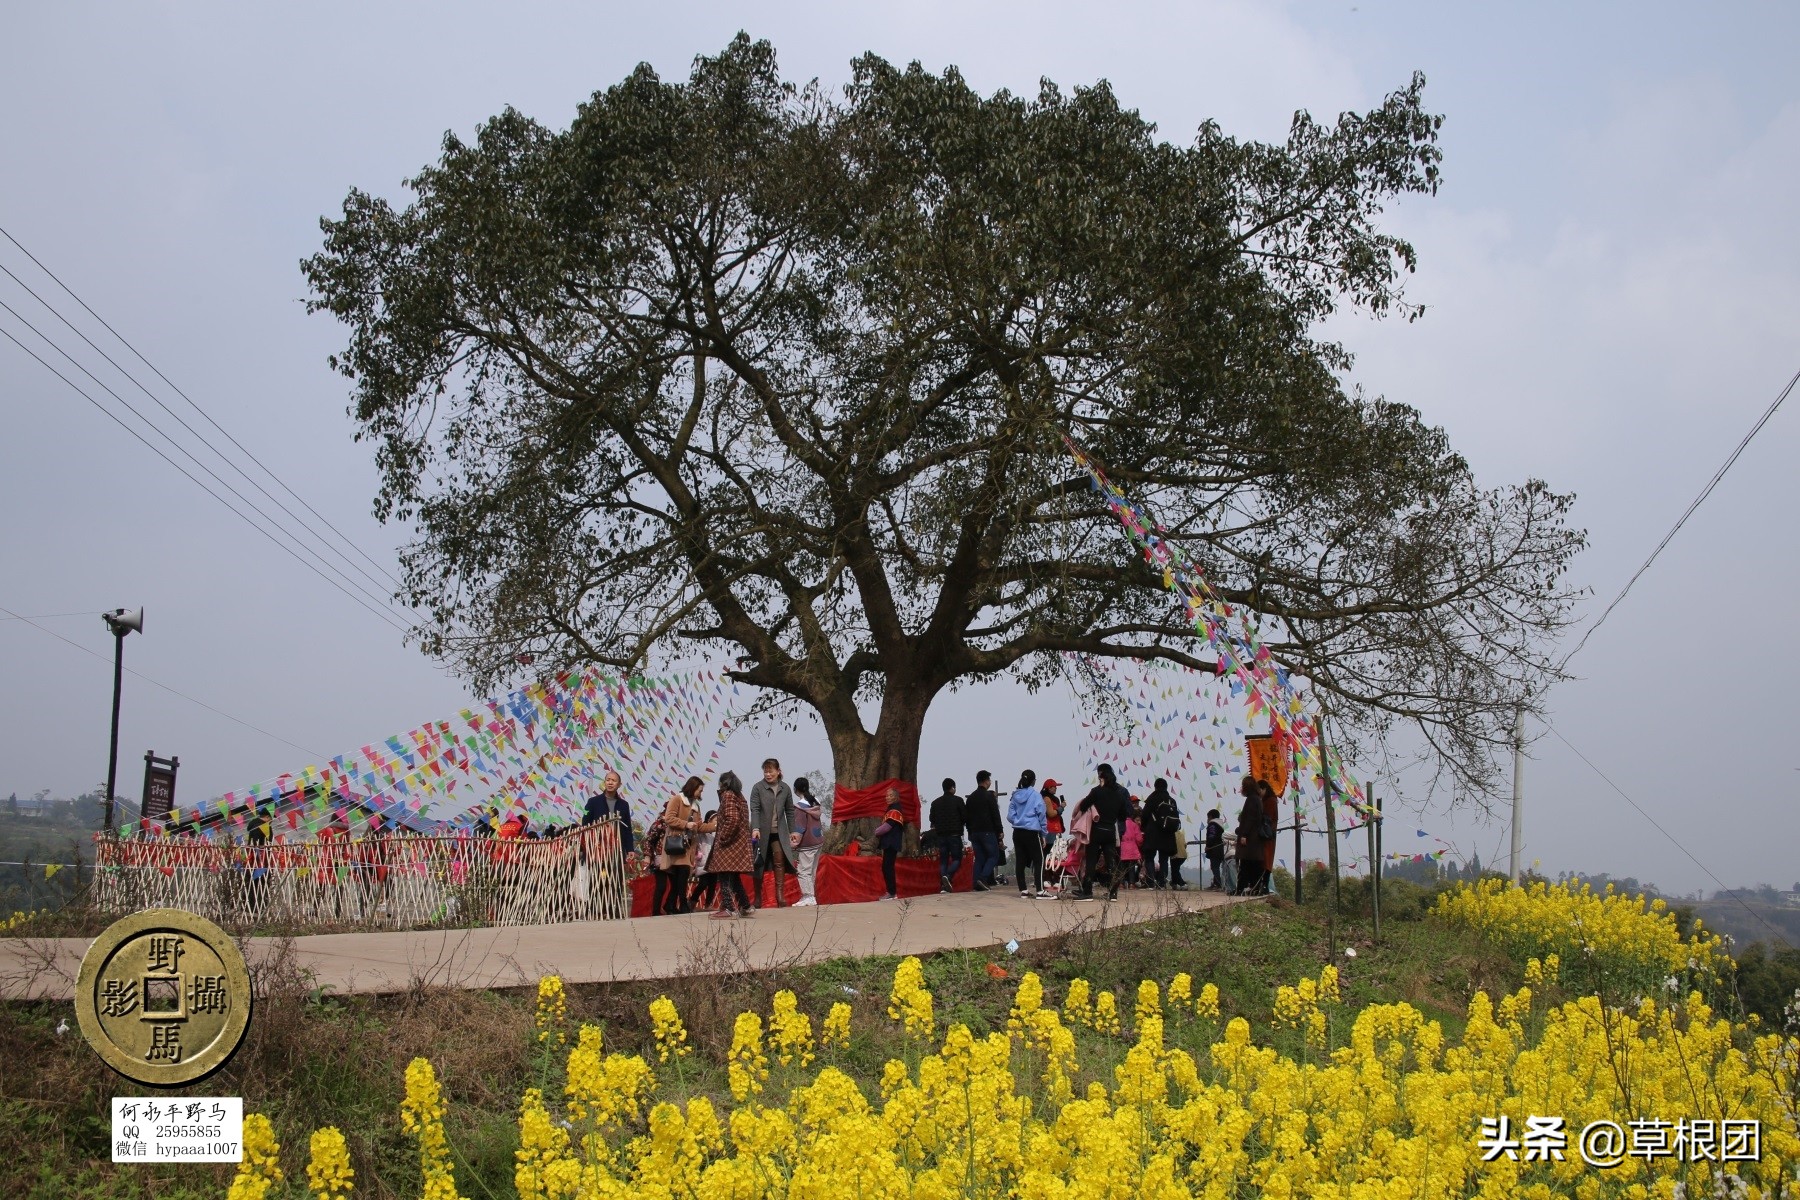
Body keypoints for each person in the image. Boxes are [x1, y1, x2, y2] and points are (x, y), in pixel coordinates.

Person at [1072, 763, 1129, 902]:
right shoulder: (1120, 795)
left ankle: (1087, 892)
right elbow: (1123, 816)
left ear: (1101, 778)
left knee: (1091, 861)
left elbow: (1084, 805)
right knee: (1111, 863)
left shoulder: (1096, 791)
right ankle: (1113, 893)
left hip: (1097, 831)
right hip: (1110, 831)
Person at [704, 771, 755, 918]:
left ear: (724, 783)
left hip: (730, 844)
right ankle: (745, 906)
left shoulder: (728, 795)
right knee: (734, 877)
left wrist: (723, 837)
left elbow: (732, 819)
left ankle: (729, 909)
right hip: (739, 843)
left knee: (724, 876)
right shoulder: (740, 796)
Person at [654, 776, 707, 916]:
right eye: (699, 791)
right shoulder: (677, 799)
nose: (700, 794)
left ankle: (670, 904)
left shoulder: (696, 805)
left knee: (680, 878)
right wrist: (685, 824)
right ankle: (682, 904)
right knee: (681, 876)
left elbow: (699, 826)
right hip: (676, 844)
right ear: (693, 787)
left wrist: (715, 826)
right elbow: (669, 818)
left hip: (688, 846)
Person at [748, 758, 796, 909]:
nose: (768, 774)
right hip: (761, 832)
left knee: (779, 861)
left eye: (771, 771)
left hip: (779, 832)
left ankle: (780, 897)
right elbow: (754, 809)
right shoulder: (758, 787)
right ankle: (757, 898)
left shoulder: (785, 788)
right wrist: (755, 828)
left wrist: (793, 830)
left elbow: (790, 811)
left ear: (778, 771)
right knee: (759, 863)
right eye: (765, 771)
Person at [1007, 769, 1050, 898]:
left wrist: (1018, 820)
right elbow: (1041, 814)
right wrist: (1043, 832)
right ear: (1033, 781)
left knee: (1020, 860)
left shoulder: (1015, 795)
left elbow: (1010, 816)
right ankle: (1040, 890)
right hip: (1031, 831)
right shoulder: (1036, 795)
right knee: (1039, 860)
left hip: (1017, 831)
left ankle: (1023, 890)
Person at [789, 776, 825, 907]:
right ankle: (811, 896)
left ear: (795, 789)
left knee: (803, 870)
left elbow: (799, 828)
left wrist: (792, 844)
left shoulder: (799, 808)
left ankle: (808, 896)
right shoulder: (816, 802)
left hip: (807, 843)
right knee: (812, 870)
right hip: (818, 840)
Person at [965, 770, 1003, 890]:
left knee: (980, 858)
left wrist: (970, 831)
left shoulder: (970, 798)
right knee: (994, 855)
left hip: (974, 832)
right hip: (987, 831)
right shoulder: (989, 796)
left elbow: (967, 817)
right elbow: (995, 814)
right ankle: (983, 877)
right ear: (986, 781)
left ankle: (976, 883)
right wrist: (1000, 830)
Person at [583, 770, 634, 856]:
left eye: (613, 781)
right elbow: (585, 824)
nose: (610, 783)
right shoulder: (593, 802)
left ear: (619, 785)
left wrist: (630, 849)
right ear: (604, 782)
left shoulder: (624, 805)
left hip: (617, 848)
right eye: (608, 780)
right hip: (597, 848)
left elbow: (627, 829)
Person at [1140, 778, 1180, 888]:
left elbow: (1144, 815)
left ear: (1155, 786)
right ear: (1166, 787)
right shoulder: (1172, 801)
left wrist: (1143, 828)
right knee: (1164, 859)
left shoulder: (1152, 798)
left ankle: (1151, 882)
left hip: (1153, 832)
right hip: (1167, 833)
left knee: (1149, 857)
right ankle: (1162, 883)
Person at [929, 778, 966, 893]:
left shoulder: (935, 803)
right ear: (952, 788)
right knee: (956, 859)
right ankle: (948, 876)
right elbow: (965, 817)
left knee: (943, 861)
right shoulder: (958, 801)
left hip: (941, 835)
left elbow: (931, 819)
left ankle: (944, 886)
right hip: (954, 835)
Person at [1234, 776, 1267, 895]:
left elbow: (1250, 819)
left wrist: (1244, 834)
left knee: (1245, 864)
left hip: (1250, 838)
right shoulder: (1257, 799)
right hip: (1255, 839)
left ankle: (1240, 889)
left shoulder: (1251, 800)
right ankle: (1254, 887)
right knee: (1253, 865)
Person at [876, 788, 905, 900]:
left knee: (887, 867)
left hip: (891, 842)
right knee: (887, 866)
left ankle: (891, 893)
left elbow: (888, 826)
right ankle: (891, 892)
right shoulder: (892, 809)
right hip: (890, 842)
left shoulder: (895, 810)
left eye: (890, 795)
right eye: (887, 795)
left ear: (896, 797)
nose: (887, 797)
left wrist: (877, 831)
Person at [1259, 779, 1281, 892]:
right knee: (1263, 860)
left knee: (1267, 860)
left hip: (1268, 834)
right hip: (1264, 834)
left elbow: (1268, 817)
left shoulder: (1271, 800)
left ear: (1264, 789)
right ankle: (1261, 885)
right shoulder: (1265, 800)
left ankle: (1265, 885)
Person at [1120, 801, 1144, 887]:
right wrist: (1140, 844)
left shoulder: (1120, 823)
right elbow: (1139, 839)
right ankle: (1131, 884)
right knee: (1131, 867)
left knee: (1121, 867)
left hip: (1122, 848)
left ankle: (1121, 884)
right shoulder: (1134, 825)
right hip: (1132, 849)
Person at [1204, 807, 1227, 890]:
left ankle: (1218, 884)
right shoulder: (1219, 825)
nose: (1207, 819)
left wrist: (1208, 846)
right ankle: (1215, 883)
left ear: (1211, 816)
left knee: (1215, 867)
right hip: (1219, 848)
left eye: (1208, 817)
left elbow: (1211, 836)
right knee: (1215, 866)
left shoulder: (1212, 825)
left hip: (1214, 849)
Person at [1169, 816, 1190, 889]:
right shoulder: (1181, 834)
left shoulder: (1171, 834)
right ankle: (1174, 883)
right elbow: (1185, 845)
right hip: (1183, 855)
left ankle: (1182, 884)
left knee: (1175, 871)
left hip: (1175, 855)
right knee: (1175, 869)